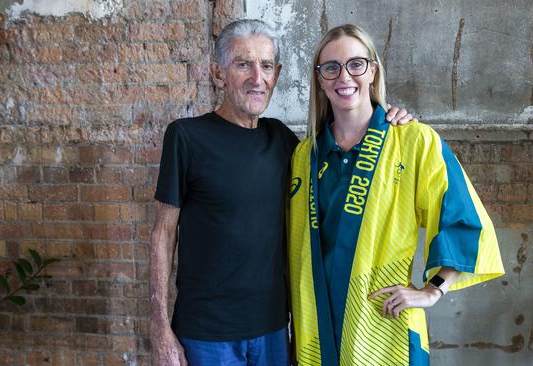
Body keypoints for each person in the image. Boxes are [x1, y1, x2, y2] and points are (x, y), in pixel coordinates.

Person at [150, 20, 414, 366]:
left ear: (277, 74)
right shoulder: (185, 137)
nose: (257, 78)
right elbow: (162, 232)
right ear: (218, 72)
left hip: (274, 330)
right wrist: (159, 328)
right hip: (206, 334)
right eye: (243, 64)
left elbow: (346, 150)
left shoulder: (288, 144)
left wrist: (391, 119)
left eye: (266, 66)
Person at [287, 24, 505, 365]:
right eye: (331, 67)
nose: (344, 77)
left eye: (356, 64)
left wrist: (433, 290)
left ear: (372, 71)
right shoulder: (304, 156)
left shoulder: (413, 141)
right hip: (316, 329)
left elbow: (465, 219)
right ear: (320, 79)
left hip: (383, 327)